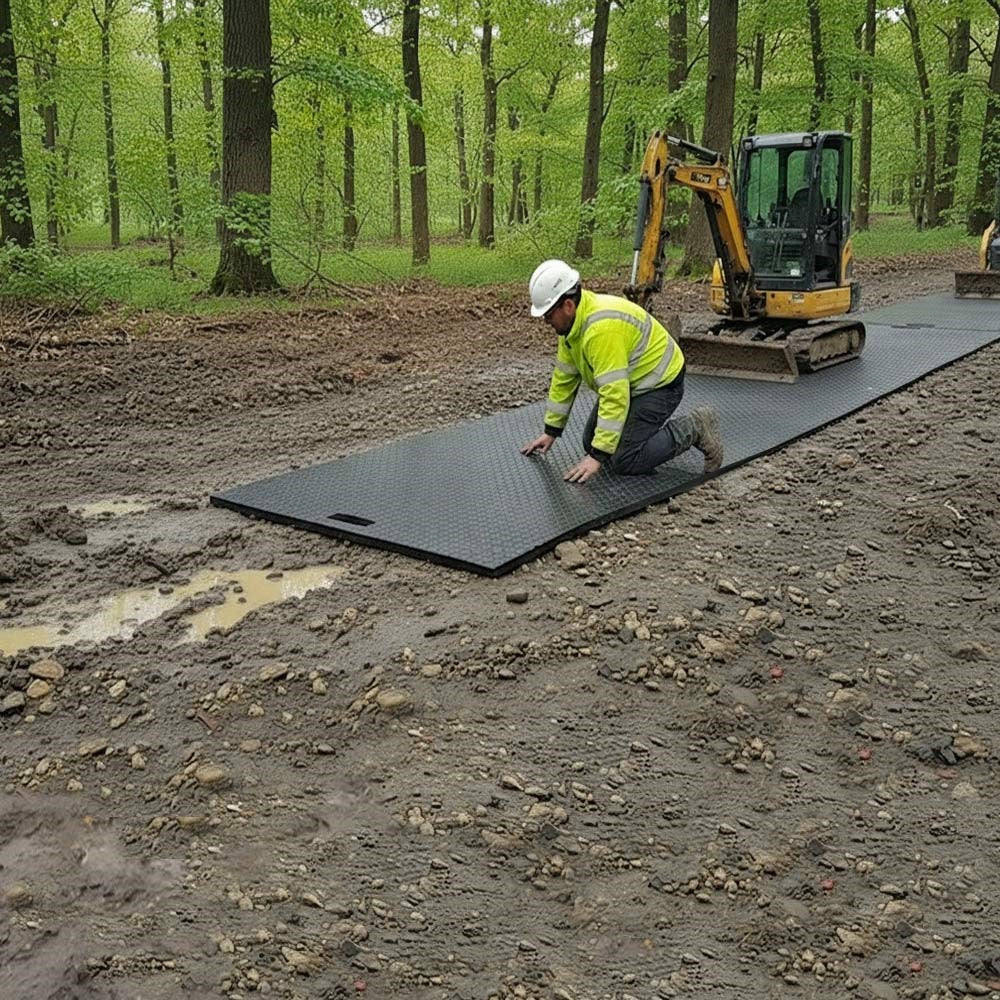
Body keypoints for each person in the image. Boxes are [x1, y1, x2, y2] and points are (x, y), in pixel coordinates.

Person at [521, 259, 722, 484]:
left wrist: (597, 457)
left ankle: (695, 426)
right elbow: (564, 379)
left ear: (568, 305)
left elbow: (614, 394)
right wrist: (551, 430)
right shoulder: (572, 326)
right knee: (592, 442)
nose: (546, 321)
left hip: (660, 384)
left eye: (548, 315)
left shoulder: (600, 329)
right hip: (634, 382)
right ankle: (625, 442)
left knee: (624, 459)